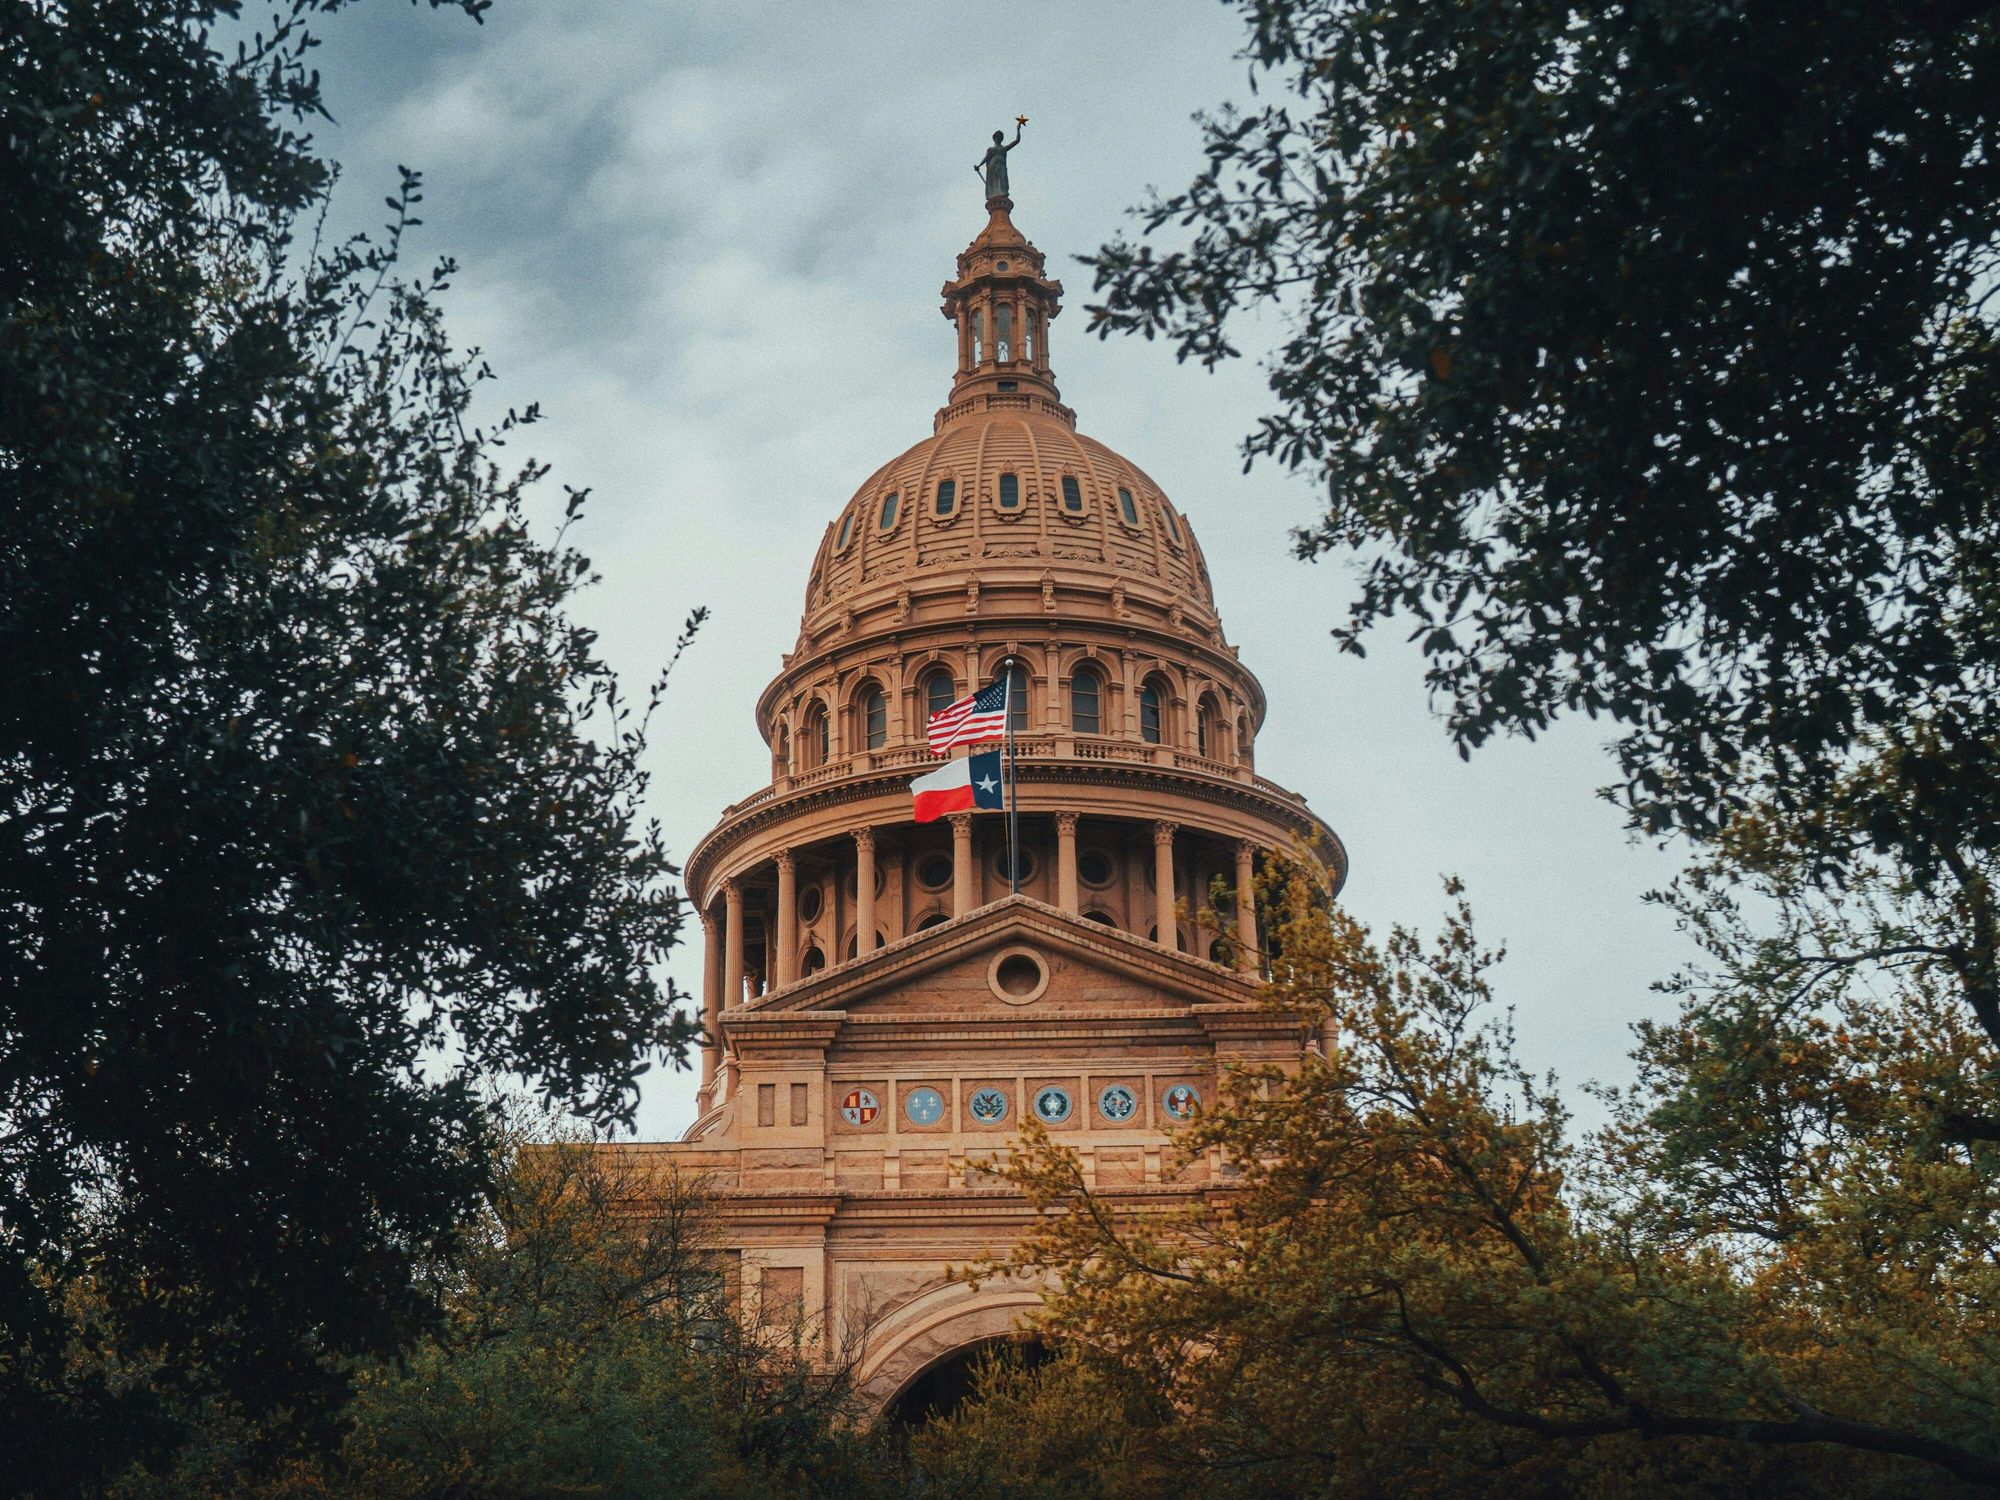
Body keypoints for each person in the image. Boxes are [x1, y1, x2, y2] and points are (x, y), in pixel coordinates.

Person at [977, 117, 1027, 201]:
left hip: (1001, 167)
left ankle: (1002, 194)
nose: (999, 138)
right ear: (994, 138)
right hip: (992, 167)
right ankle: (995, 195)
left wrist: (1018, 129)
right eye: (997, 136)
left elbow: (1017, 141)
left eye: (1000, 137)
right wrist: (979, 165)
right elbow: (986, 158)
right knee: (995, 182)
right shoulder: (991, 149)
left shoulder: (1004, 148)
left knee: (1003, 180)